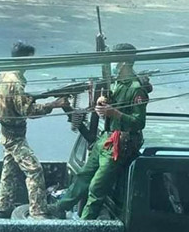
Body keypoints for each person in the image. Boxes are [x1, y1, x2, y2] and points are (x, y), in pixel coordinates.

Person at [51, 43, 149, 219]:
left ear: (124, 63)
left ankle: (85, 224)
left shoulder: (136, 89)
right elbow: (109, 101)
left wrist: (115, 113)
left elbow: (139, 122)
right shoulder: (117, 83)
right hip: (105, 138)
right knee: (83, 176)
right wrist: (103, 102)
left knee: (97, 187)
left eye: (114, 61)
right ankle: (60, 207)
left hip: (119, 144)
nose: (112, 64)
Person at [0, 41, 69, 219]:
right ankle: (38, 212)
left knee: (9, 169)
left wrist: (4, 107)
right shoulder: (15, 83)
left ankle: (4, 206)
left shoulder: (3, 73)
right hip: (14, 135)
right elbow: (30, 111)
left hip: (6, 131)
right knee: (34, 170)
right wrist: (54, 104)